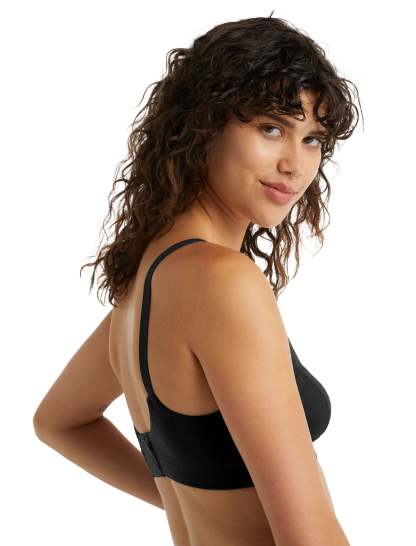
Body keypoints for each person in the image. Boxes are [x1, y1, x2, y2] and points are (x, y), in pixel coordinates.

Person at [33, 13, 361, 546]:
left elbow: (59, 421)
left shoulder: (148, 285)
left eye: (312, 139)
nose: (296, 164)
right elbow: (308, 536)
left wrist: (187, 502)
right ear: (204, 124)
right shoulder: (222, 282)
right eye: (272, 128)